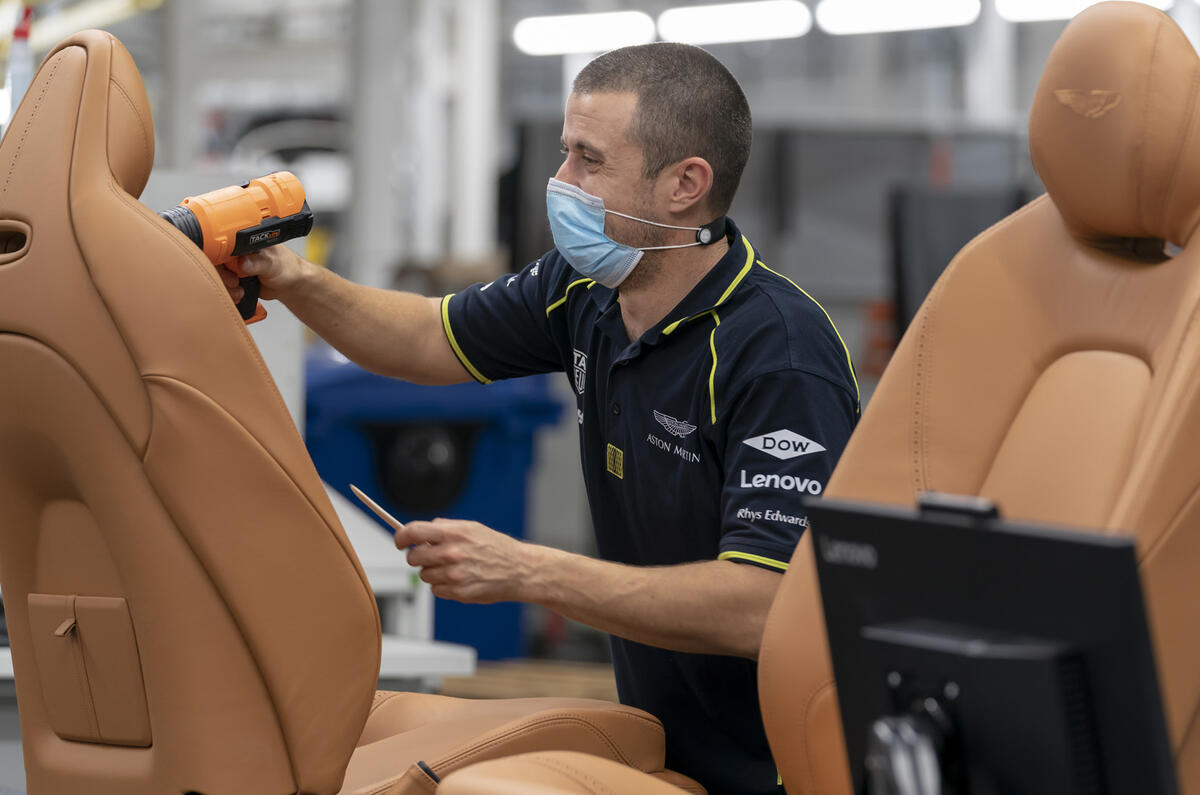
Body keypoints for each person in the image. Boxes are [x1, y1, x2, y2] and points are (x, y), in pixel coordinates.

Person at [224, 43, 859, 795]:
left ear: (685, 184)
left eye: (589, 160)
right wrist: (293, 281)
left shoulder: (776, 353)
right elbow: (428, 336)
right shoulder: (585, 290)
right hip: (662, 737)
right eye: (565, 153)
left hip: (782, 768)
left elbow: (765, 606)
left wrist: (527, 569)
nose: (561, 184)